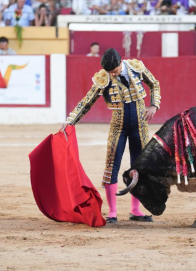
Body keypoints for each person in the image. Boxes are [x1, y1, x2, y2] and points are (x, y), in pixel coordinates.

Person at [62, 48, 161, 224]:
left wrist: (154, 105)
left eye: (114, 71)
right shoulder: (104, 77)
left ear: (120, 62)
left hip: (140, 125)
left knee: (139, 168)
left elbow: (154, 83)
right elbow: (87, 101)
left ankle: (135, 210)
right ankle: (113, 212)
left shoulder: (136, 67)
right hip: (118, 126)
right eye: (109, 72)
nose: (112, 75)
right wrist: (71, 120)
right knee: (111, 168)